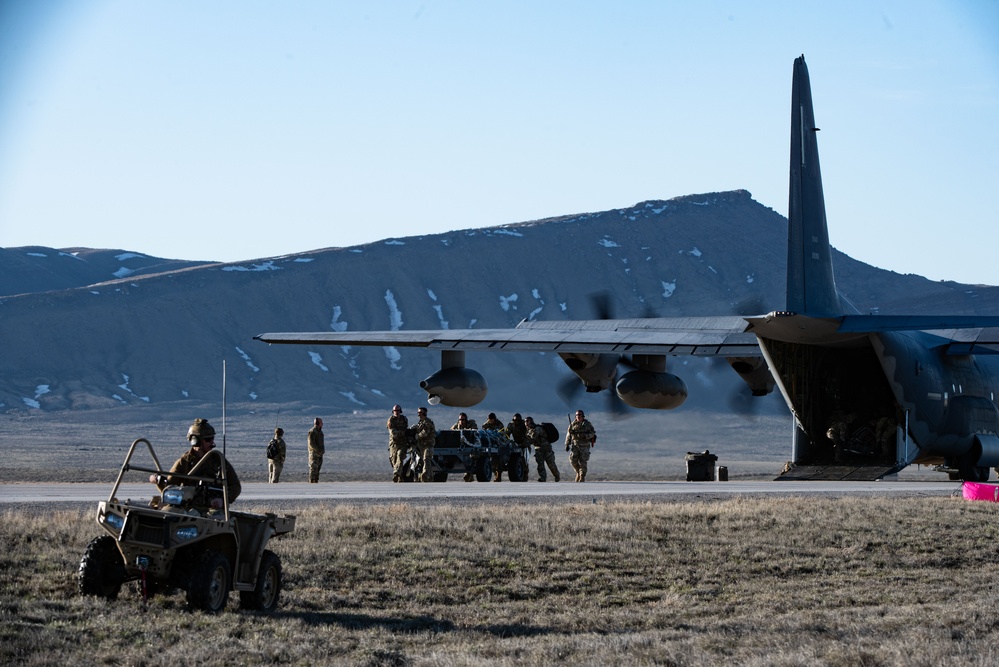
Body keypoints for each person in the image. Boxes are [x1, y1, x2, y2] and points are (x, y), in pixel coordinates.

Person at [153, 418, 241, 510]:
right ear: (196, 441)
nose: (212, 442)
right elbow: (169, 488)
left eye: (212, 438)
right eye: (208, 439)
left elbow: (235, 486)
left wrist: (223, 500)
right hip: (189, 509)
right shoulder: (184, 461)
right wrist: (158, 481)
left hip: (213, 510)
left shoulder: (218, 459)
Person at [565, 409, 597, 482]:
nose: (578, 416)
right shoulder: (572, 425)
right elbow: (568, 435)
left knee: (583, 461)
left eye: (579, 415)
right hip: (575, 445)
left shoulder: (587, 425)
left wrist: (585, 436)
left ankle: (582, 476)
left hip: (584, 446)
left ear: (583, 416)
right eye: (577, 415)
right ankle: (578, 472)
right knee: (573, 460)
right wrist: (567, 444)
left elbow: (593, 433)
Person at [526, 416, 559, 482]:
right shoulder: (529, 430)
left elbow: (532, 439)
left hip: (546, 448)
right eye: (525, 421)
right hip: (538, 449)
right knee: (540, 465)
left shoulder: (537, 429)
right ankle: (543, 478)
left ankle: (557, 476)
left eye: (527, 421)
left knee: (551, 464)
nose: (526, 423)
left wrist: (525, 442)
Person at [451, 413, 478, 481]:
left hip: (471, 445)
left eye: (463, 419)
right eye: (460, 419)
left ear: (466, 420)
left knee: (473, 458)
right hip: (460, 446)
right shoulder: (457, 425)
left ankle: (469, 474)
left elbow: (475, 431)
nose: (461, 421)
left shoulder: (471, 424)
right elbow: (451, 431)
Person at [413, 406, 437, 482]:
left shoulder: (428, 422)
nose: (419, 414)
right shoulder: (420, 423)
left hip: (428, 445)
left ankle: (425, 475)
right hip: (421, 445)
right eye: (418, 412)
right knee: (425, 461)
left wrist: (417, 436)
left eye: (420, 412)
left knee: (426, 459)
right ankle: (430, 477)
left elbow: (425, 433)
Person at [387, 404, 409, 482]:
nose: (396, 412)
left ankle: (396, 474)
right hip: (394, 444)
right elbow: (393, 432)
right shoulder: (391, 420)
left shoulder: (404, 419)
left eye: (398, 411)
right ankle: (400, 476)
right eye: (395, 411)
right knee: (394, 461)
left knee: (400, 457)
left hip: (402, 443)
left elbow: (406, 429)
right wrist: (402, 433)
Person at [481, 412, 505, 481]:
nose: (490, 420)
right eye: (489, 419)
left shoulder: (499, 424)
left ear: (494, 419)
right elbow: (483, 430)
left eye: (491, 419)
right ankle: (495, 474)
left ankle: (498, 476)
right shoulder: (486, 424)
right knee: (492, 462)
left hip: (499, 443)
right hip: (490, 443)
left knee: (499, 460)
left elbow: (502, 433)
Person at [307, 417, 325, 483]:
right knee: (313, 468)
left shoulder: (320, 432)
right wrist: (317, 450)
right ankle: (312, 481)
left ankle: (316, 481)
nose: (322, 424)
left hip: (320, 454)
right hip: (314, 454)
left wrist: (321, 451)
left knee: (318, 469)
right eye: (321, 422)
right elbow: (311, 443)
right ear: (318, 423)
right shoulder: (313, 431)